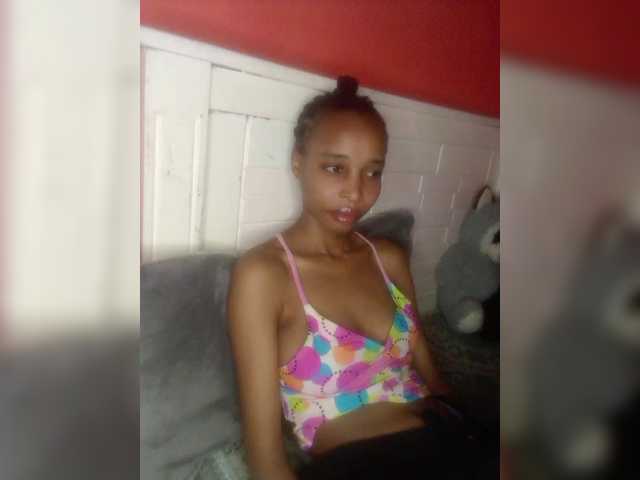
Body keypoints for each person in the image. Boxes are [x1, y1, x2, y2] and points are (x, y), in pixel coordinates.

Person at [227, 75, 498, 479]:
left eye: (372, 172)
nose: (355, 192)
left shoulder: (387, 257)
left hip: (449, 440)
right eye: (336, 168)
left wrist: (473, 429)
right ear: (298, 162)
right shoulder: (264, 276)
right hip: (361, 463)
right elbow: (266, 461)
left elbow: (429, 369)